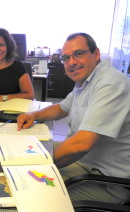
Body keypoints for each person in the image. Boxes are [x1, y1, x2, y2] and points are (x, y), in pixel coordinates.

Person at [17, 33, 130, 204]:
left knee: (31, 196)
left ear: (96, 54)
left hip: (106, 181)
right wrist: (33, 115)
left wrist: (36, 164)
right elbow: (62, 108)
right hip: (85, 163)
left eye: (78, 54)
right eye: (66, 58)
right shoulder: (85, 82)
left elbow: (81, 145)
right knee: (24, 147)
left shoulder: (109, 85)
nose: (71, 62)